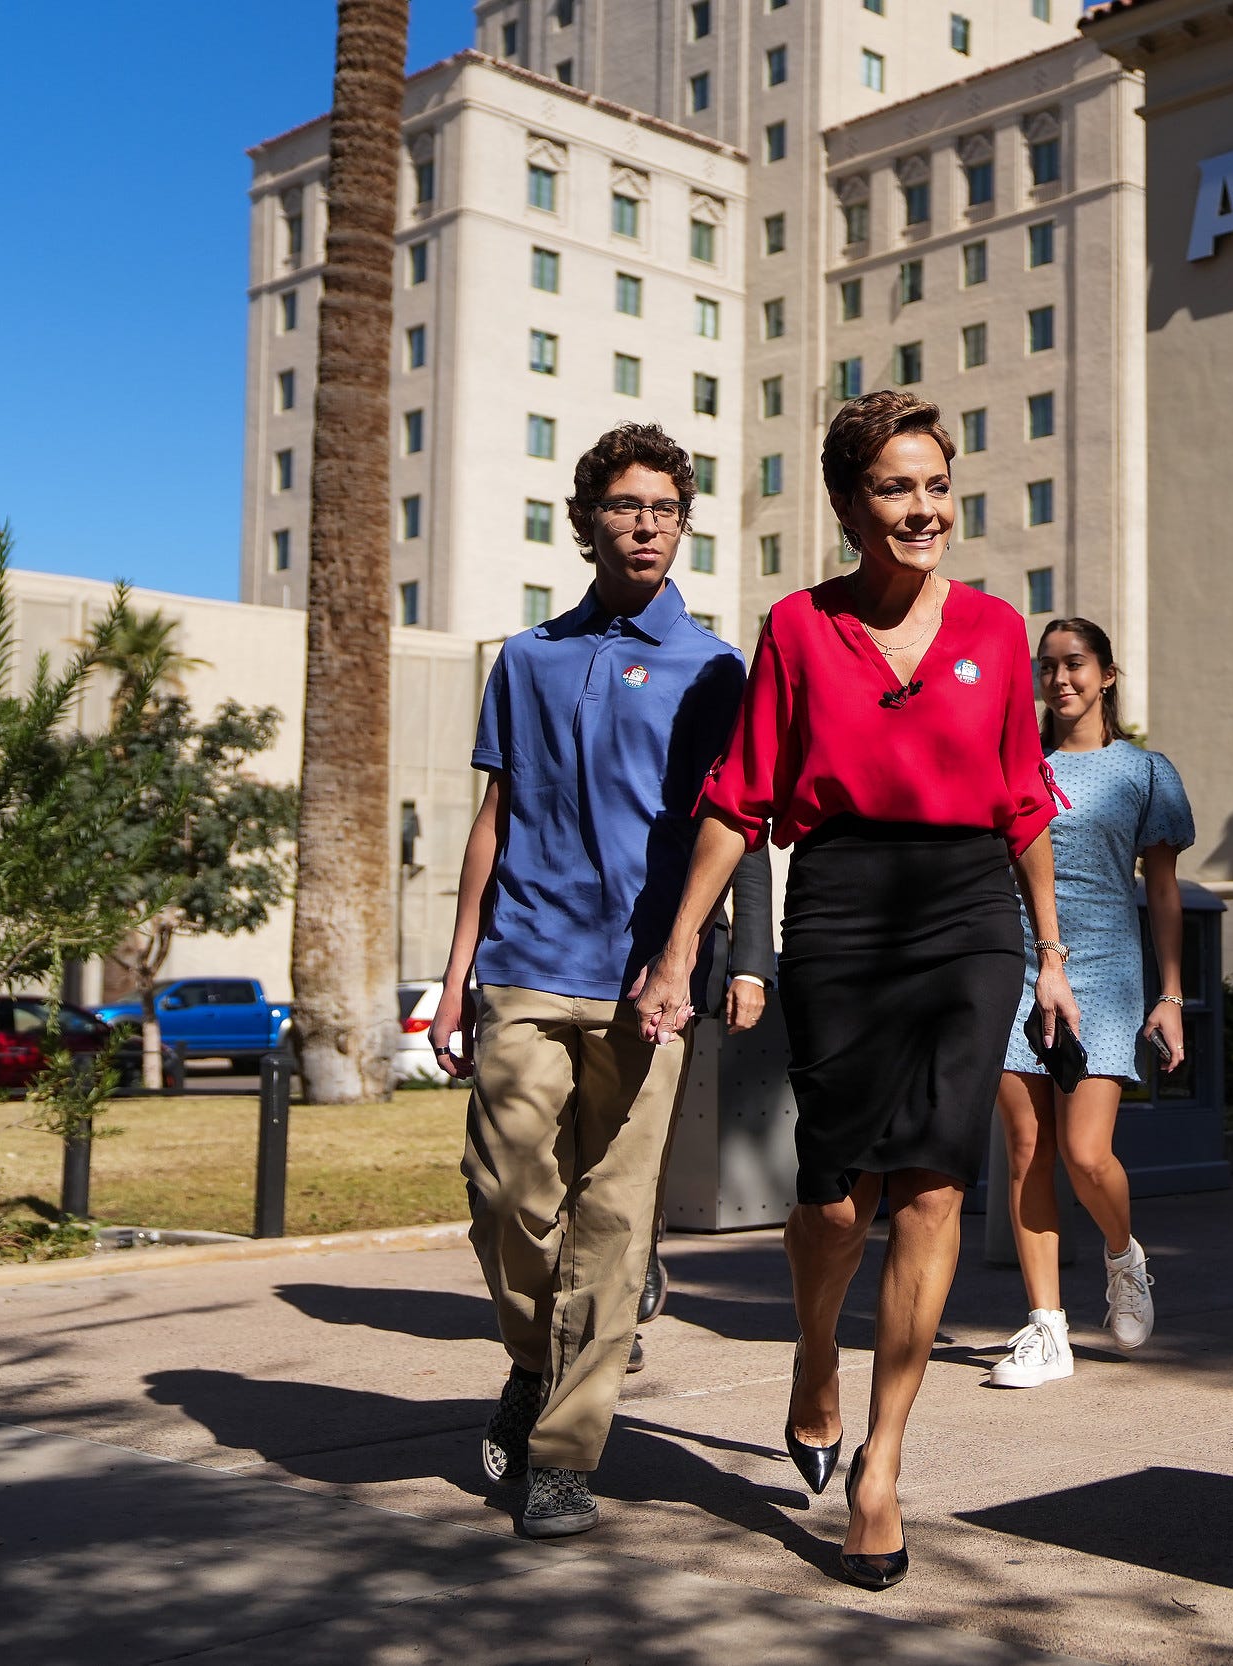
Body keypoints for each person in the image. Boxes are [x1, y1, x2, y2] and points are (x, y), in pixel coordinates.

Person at [633, 390, 1077, 1591]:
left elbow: (1025, 802)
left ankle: (883, 1465)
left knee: (931, 1183)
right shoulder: (796, 628)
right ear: (848, 504)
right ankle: (814, 1350)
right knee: (838, 1199)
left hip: (968, 914)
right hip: (837, 902)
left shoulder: (994, 626)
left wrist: (1052, 951)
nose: (923, 507)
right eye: (896, 486)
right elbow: (739, 797)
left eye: (936, 484)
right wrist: (683, 948)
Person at [430, 422, 774, 1541]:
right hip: (525, 963)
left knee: (616, 1218)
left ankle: (566, 1457)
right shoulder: (525, 659)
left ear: (683, 525)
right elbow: (495, 819)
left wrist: (743, 958)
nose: (646, 525)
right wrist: (451, 976)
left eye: (665, 509)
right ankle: (537, 1361)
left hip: (646, 984)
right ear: (585, 522)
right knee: (506, 1192)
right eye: (626, 506)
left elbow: (742, 819)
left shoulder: (716, 667)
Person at [987, 618, 1195, 1389]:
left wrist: (1169, 995)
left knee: (1083, 1153)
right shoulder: (1016, 765)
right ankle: (1047, 1329)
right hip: (1017, 965)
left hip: (1106, 971)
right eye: (1047, 667)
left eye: (1075, 664)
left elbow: (1165, 891)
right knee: (1024, 1152)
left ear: (1107, 675)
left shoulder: (1145, 773)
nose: (1059, 679)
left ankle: (1123, 1257)